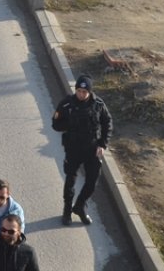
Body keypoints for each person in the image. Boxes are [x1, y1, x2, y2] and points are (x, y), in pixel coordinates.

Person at [52, 75, 113, 225]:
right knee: (71, 180)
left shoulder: (98, 104)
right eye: (79, 91)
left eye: (84, 92)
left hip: (92, 149)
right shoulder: (67, 104)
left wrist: (103, 144)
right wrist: (70, 125)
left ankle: (79, 206)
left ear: (90, 92)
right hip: (73, 149)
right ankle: (67, 211)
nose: (81, 94)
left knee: (92, 180)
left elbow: (108, 123)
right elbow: (56, 124)